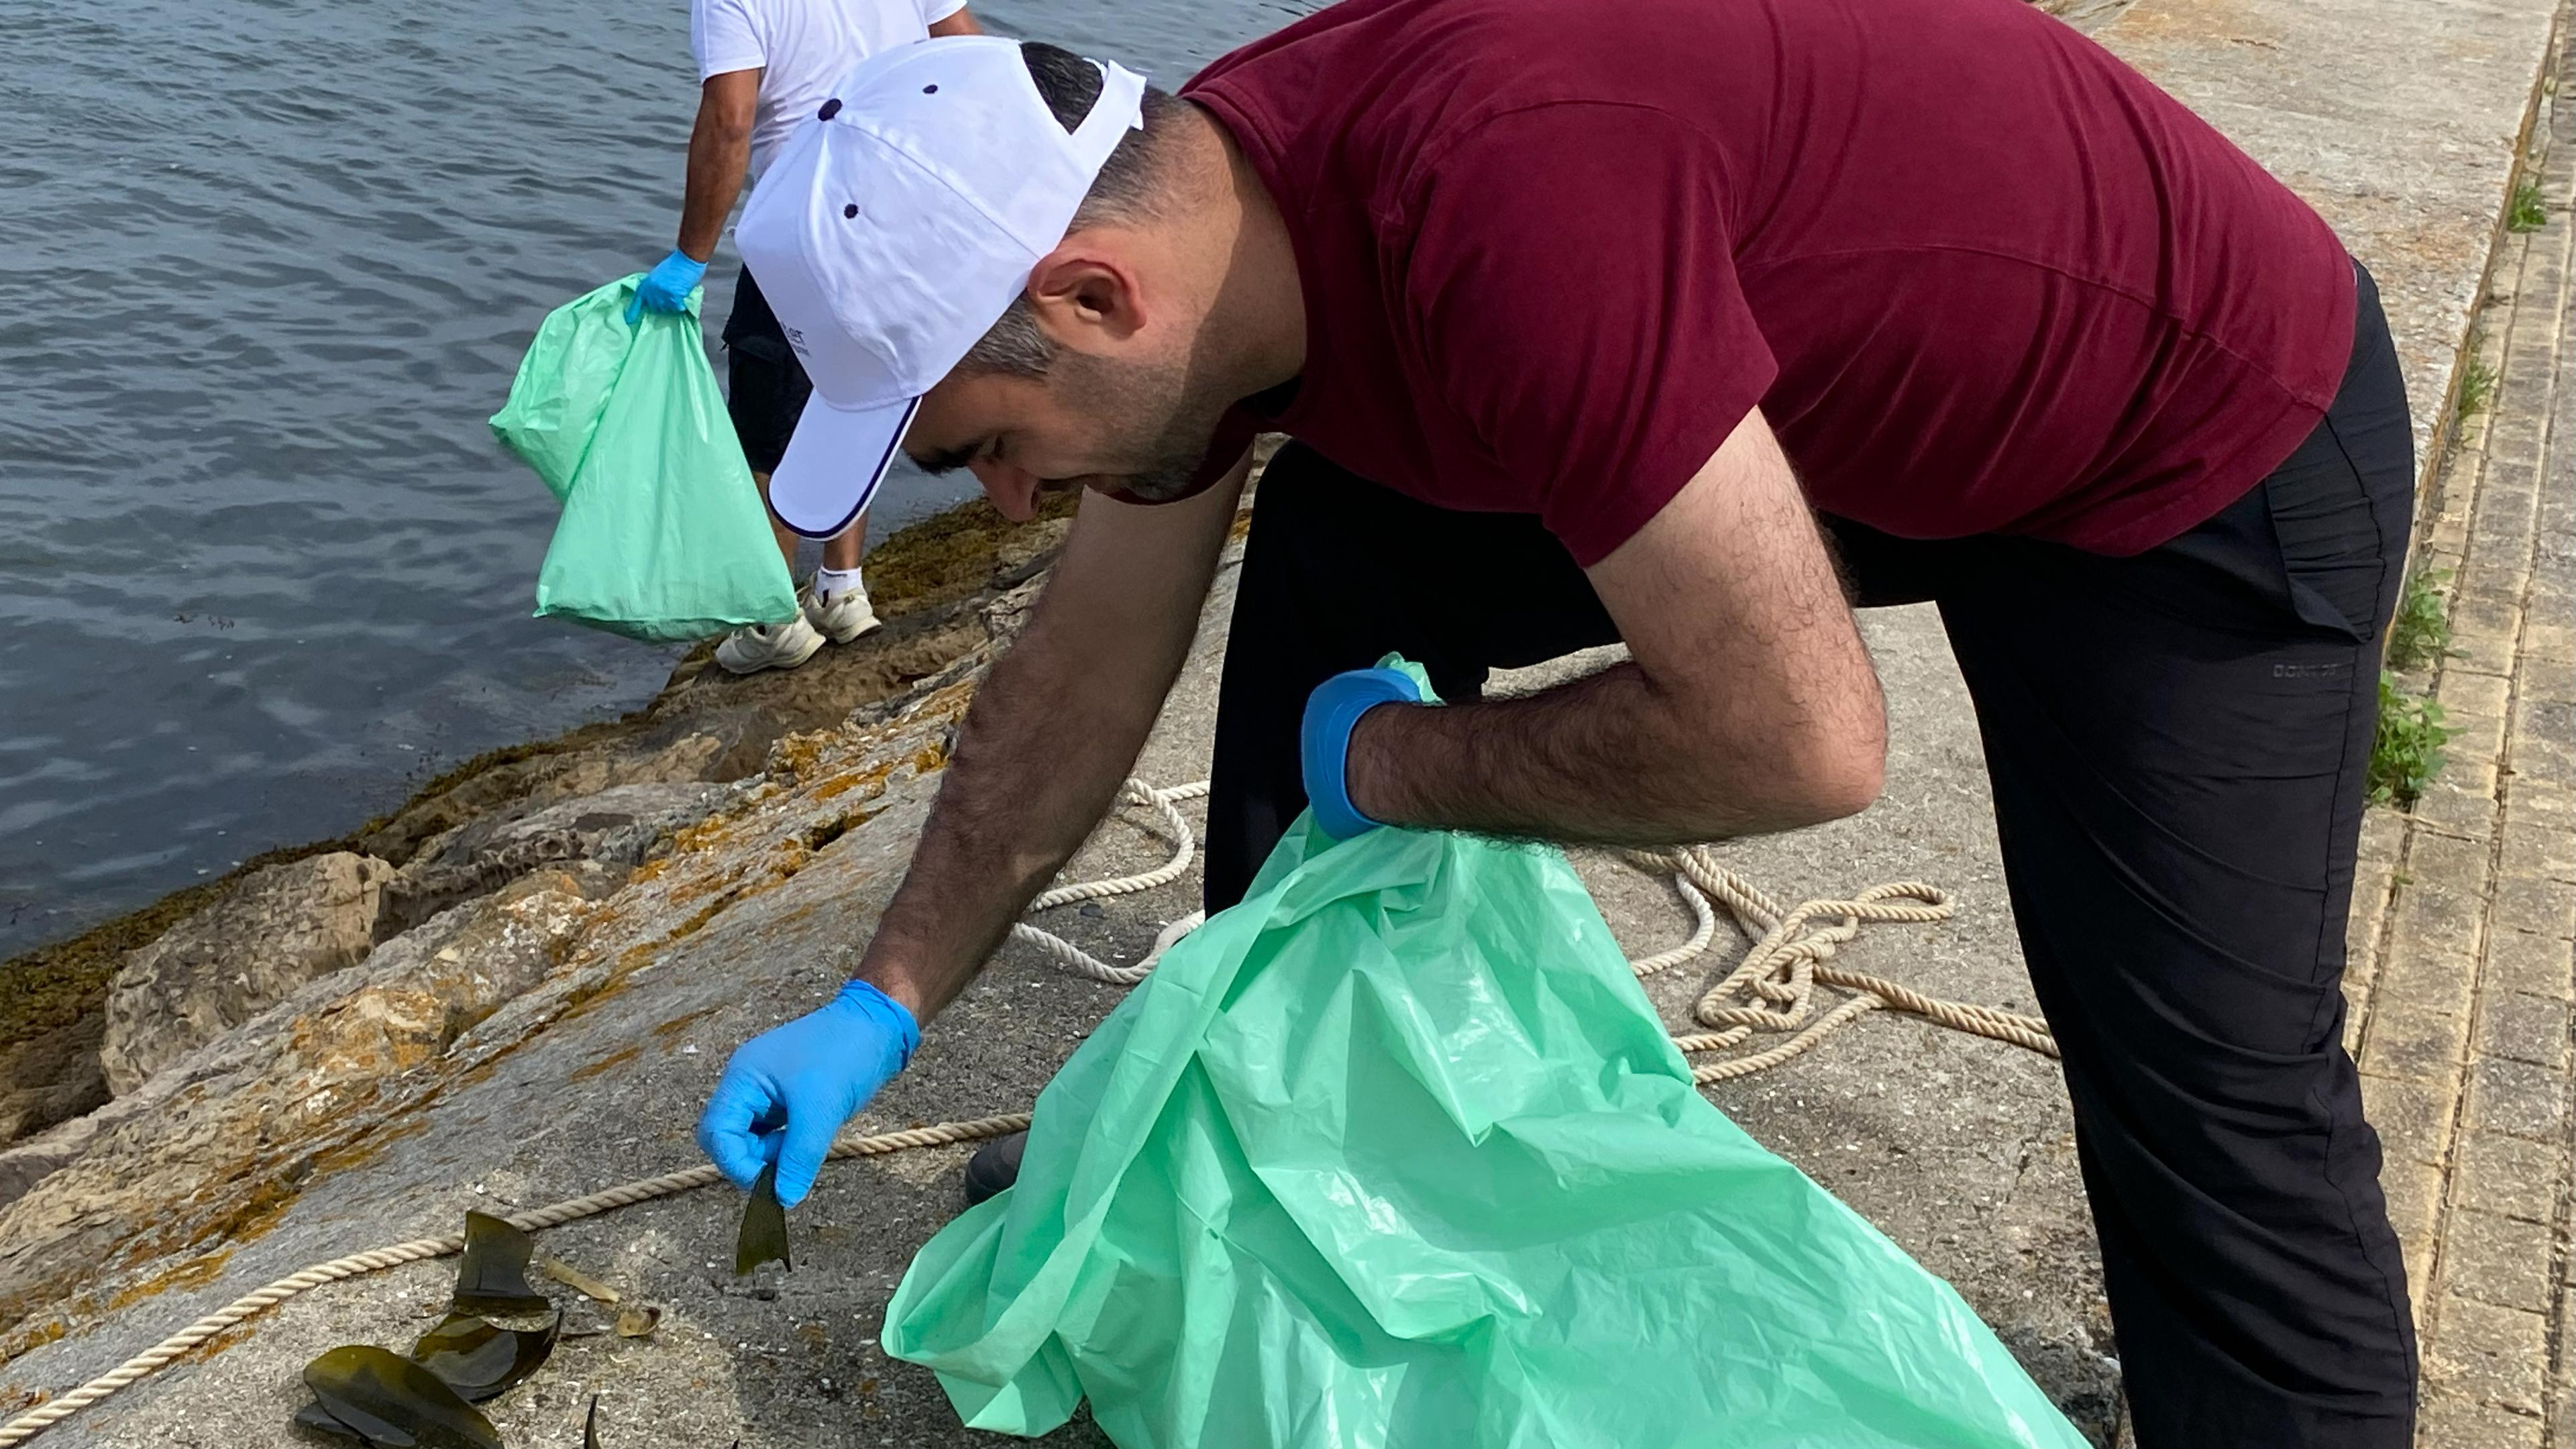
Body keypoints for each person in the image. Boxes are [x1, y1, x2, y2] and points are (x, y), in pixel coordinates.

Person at [694, 2, 2421, 1442]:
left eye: (983, 443)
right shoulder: (1194, 232)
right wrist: (883, 998)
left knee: (2203, 1087)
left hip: (2193, 452)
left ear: (1087, 296)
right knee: (1329, 541)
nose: (1001, 504)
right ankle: (1233, 1107)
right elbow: (1075, 669)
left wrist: (1388, 768)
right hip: (1875, 402)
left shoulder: (1500, 213)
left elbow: (1799, 739)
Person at [631, 0, 980, 674]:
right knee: (856, 398)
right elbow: (974, 61)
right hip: (897, 221)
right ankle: (842, 590)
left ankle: (771, 617)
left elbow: (731, 121)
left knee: (768, 427)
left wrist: (690, 256)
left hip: (805, 228)